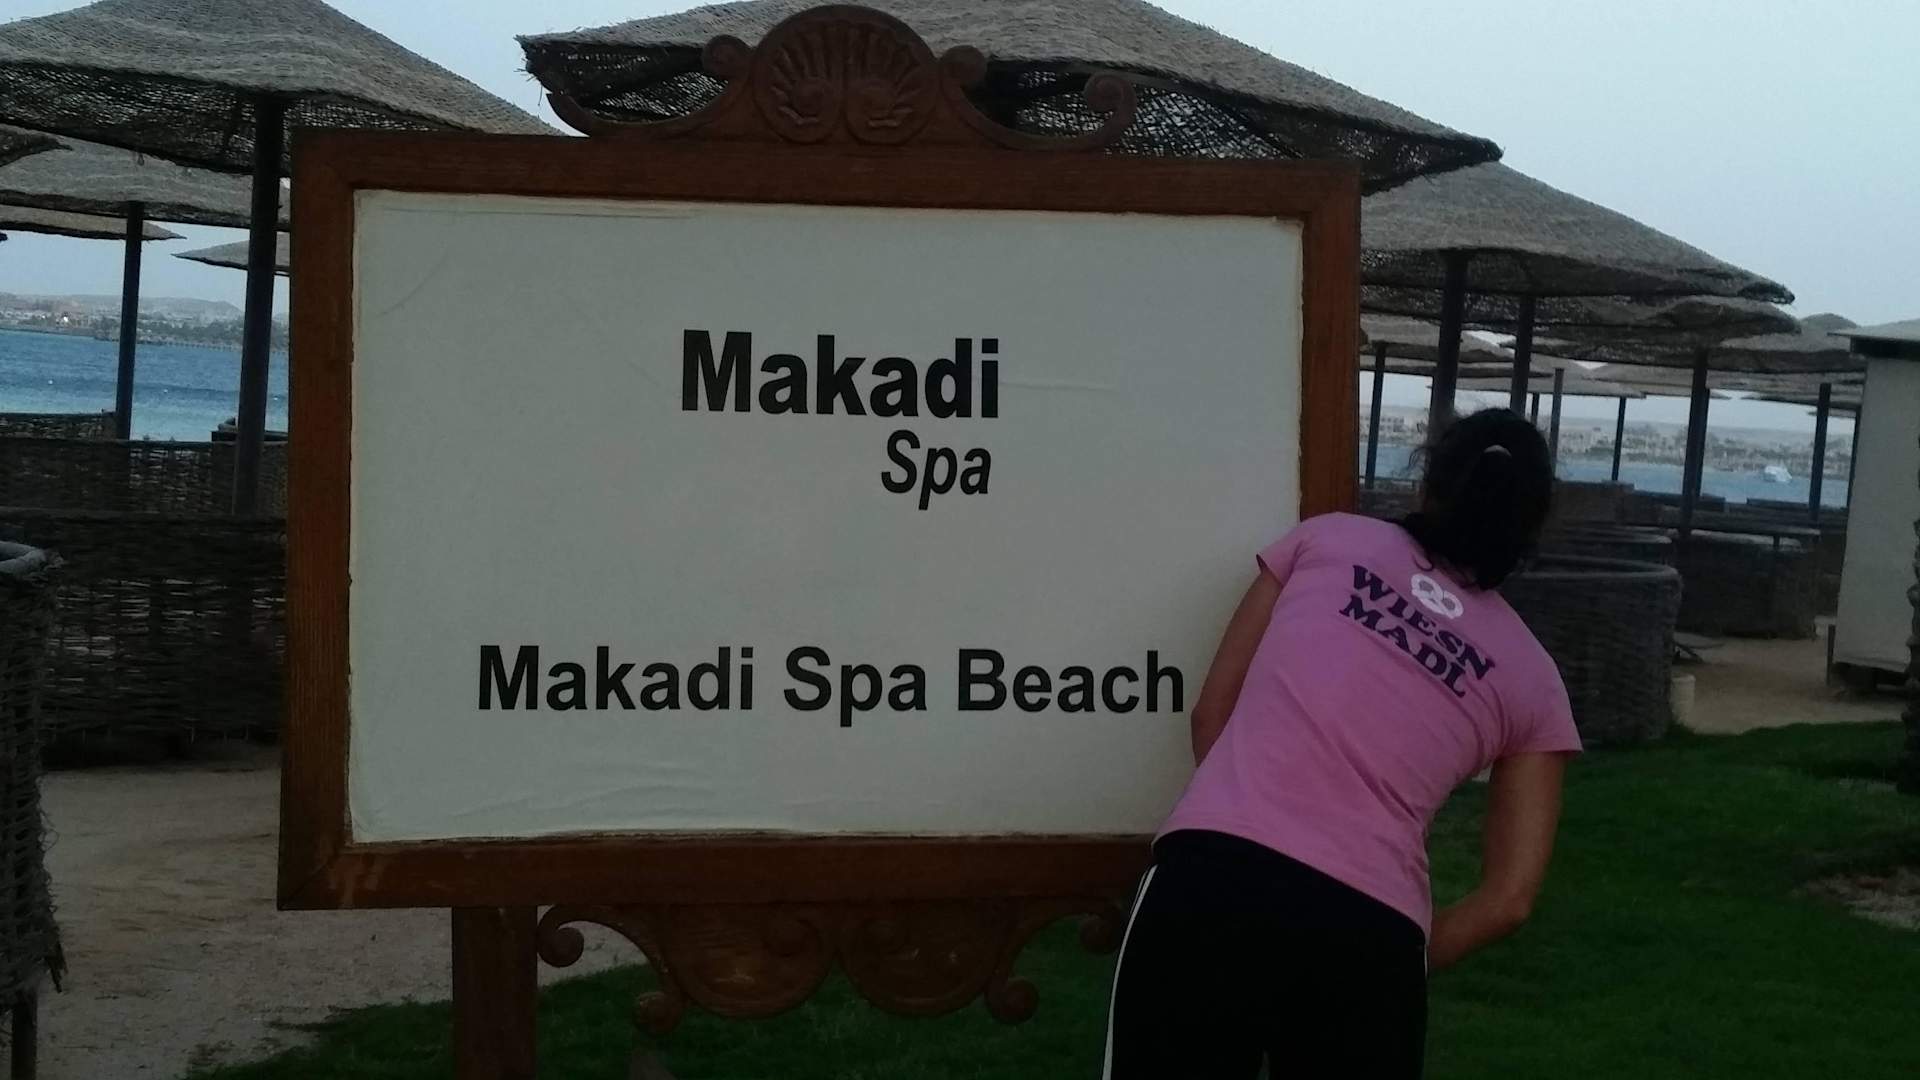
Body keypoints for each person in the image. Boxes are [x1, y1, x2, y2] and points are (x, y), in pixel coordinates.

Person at [1102, 408, 1580, 1079]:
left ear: (1427, 483)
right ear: (1529, 527)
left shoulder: (1327, 540)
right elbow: (1509, 899)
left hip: (1213, 881)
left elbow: (1213, 715)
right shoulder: (1533, 677)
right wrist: (1400, 957)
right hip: (1372, 932)